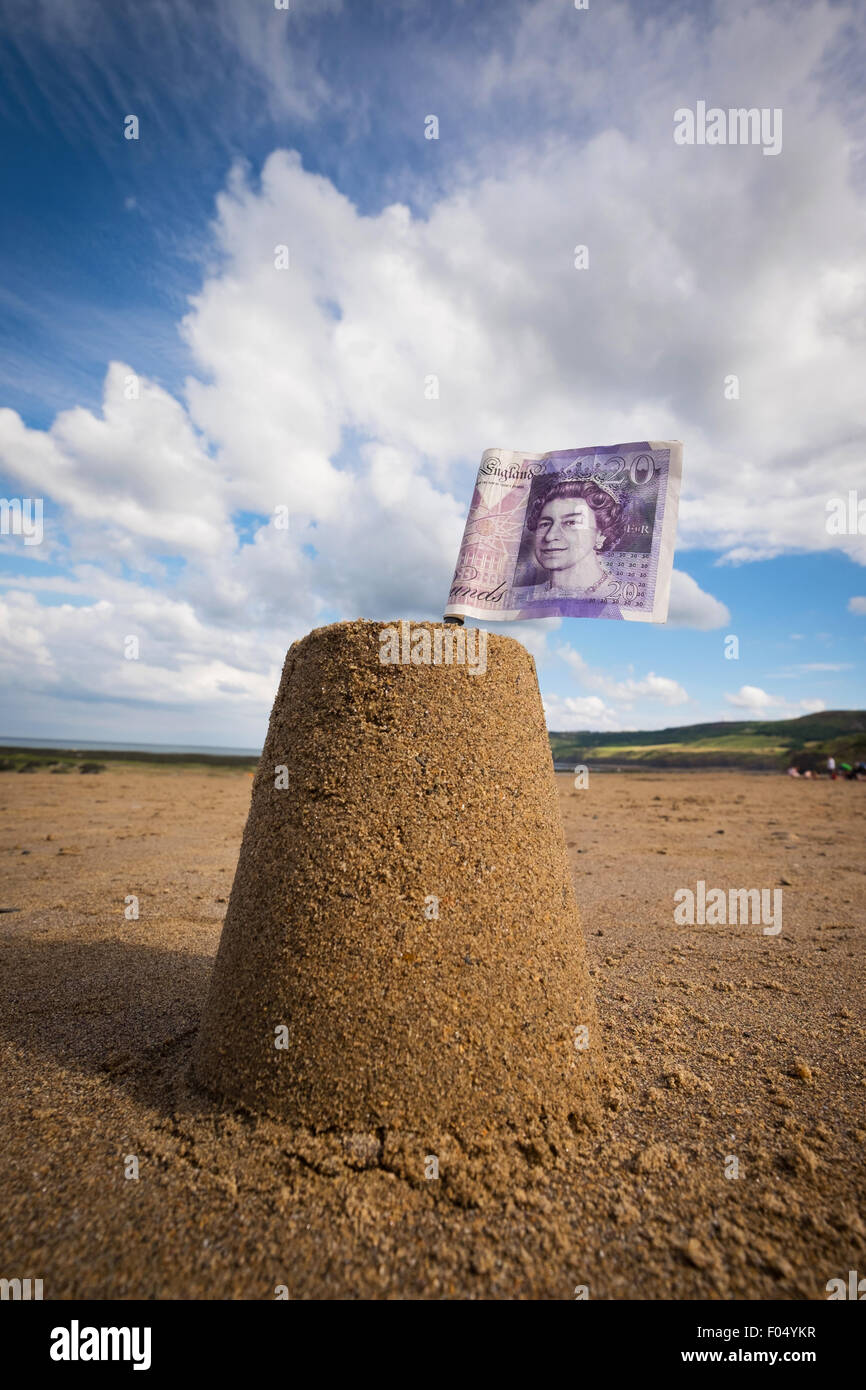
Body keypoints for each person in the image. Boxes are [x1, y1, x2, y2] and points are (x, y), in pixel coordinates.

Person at [511, 478, 626, 602]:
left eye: (571, 522)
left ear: (602, 534)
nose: (550, 536)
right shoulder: (520, 597)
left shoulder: (621, 596)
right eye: (545, 524)